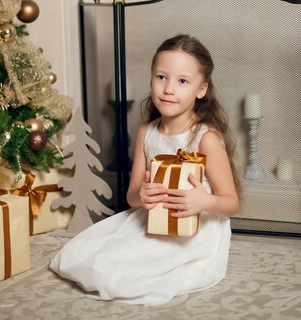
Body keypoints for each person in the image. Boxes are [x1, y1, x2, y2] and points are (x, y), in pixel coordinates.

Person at [50, 34, 241, 306]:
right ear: (151, 78)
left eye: (183, 81)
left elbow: (231, 203)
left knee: (122, 276)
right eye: (161, 77)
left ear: (201, 89)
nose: (169, 89)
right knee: (81, 255)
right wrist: (144, 195)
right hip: (152, 219)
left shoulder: (205, 138)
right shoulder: (146, 133)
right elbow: (131, 197)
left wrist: (204, 201)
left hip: (195, 230)